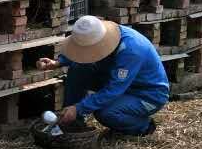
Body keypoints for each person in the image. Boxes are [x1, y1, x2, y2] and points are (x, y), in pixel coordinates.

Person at [38, 15, 169, 138]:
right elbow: (83, 52)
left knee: (105, 113)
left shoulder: (131, 51)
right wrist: (58, 62)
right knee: (79, 67)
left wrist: (79, 108)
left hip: (147, 94)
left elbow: (114, 90)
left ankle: (143, 126)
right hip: (121, 82)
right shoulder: (102, 34)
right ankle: (73, 121)